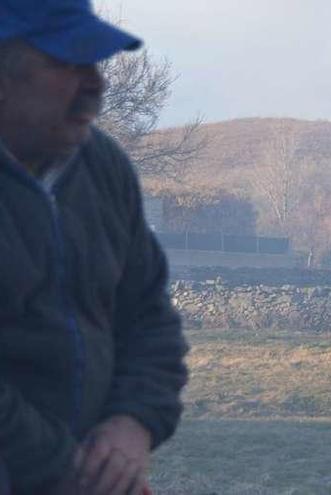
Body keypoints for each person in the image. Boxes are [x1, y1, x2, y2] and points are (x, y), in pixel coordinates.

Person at [0, 1, 189, 493]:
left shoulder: (102, 166)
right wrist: (76, 471)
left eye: (95, 62)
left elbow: (148, 316)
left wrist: (133, 423)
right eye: (68, 61)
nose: (97, 83)